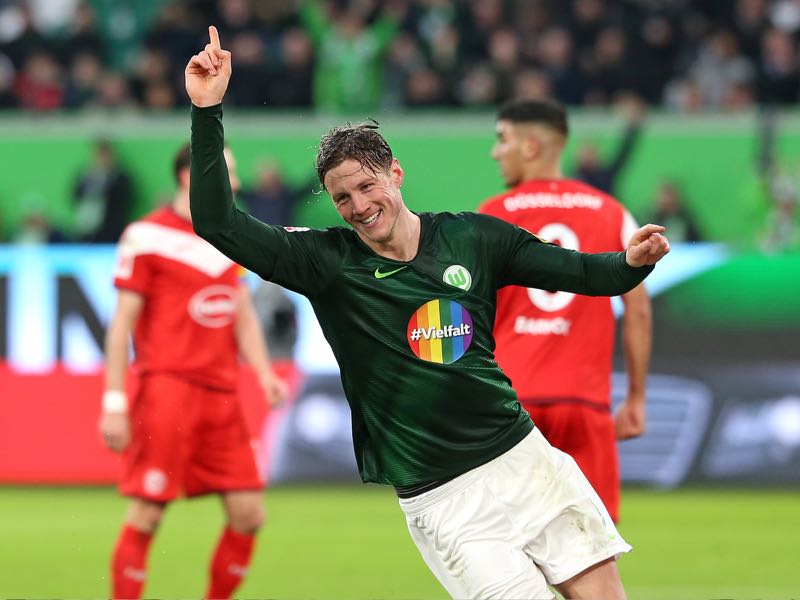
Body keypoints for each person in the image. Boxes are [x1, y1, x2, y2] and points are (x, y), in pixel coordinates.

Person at [185, 27, 670, 600]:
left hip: (527, 461)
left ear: (395, 174)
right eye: (343, 199)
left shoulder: (474, 238)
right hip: (444, 500)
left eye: (368, 186)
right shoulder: (325, 263)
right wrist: (207, 111)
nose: (361, 207)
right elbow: (218, 224)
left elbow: (585, 274)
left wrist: (632, 263)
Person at [98, 141, 288, 600]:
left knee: (249, 514)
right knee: (147, 513)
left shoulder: (230, 235)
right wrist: (115, 402)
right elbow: (121, 323)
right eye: (228, 171)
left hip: (222, 396)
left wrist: (263, 373)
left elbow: (240, 311)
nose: (237, 182)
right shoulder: (146, 235)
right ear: (189, 175)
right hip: (168, 389)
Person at [478, 99, 653, 524]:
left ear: (532, 147)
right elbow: (639, 310)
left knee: (509, 556)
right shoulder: (611, 211)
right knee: (593, 558)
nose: (494, 152)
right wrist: (634, 397)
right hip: (585, 402)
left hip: (511, 406)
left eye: (502, 140)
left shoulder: (490, 216)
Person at [73, 138, 134, 243]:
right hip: (89, 228)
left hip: (112, 229)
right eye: (100, 155)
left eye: (106, 155)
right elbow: (75, 194)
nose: (103, 159)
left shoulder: (120, 177)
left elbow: (126, 199)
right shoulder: (86, 176)